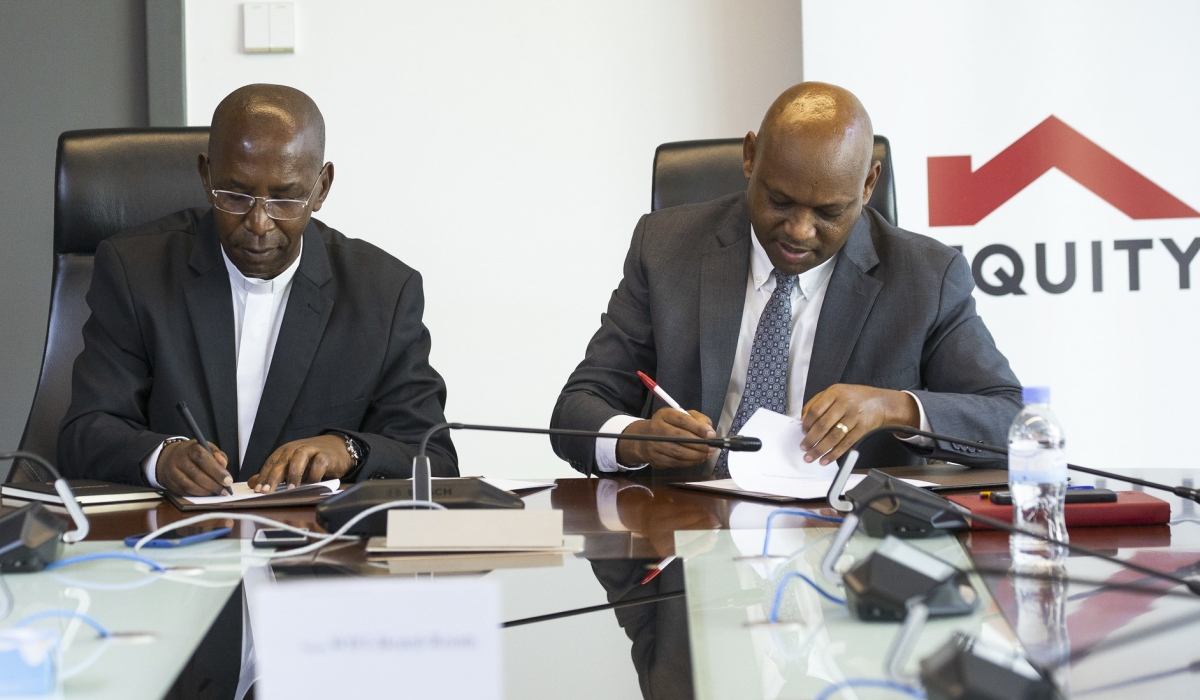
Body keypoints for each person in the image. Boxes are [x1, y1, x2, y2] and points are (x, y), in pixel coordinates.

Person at [550, 81, 1021, 476]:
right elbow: (578, 406)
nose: (799, 230)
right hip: (690, 532)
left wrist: (894, 408)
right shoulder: (666, 248)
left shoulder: (927, 277)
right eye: (780, 201)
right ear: (750, 157)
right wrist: (636, 439)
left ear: (868, 185)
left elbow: (1012, 421)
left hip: (845, 537)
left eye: (829, 212)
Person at [59, 84, 457, 495]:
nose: (259, 222)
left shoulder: (384, 294)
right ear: (206, 175)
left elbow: (434, 457)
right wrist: (161, 458)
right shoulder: (135, 271)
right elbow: (85, 431)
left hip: (311, 534)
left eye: (285, 200)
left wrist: (349, 450)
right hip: (173, 530)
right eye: (236, 195)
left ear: (321, 188)